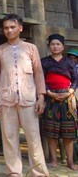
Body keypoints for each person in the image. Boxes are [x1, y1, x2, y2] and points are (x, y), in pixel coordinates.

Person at [0, 13, 49, 177]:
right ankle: (14, 172)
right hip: (6, 100)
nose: (9, 30)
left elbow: (38, 73)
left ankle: (38, 172)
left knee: (33, 137)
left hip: (29, 99)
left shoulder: (31, 49)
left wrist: (41, 97)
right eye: (6, 28)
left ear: (20, 28)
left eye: (12, 27)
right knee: (9, 137)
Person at [41, 34, 77, 170]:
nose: (55, 46)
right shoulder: (44, 62)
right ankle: (54, 160)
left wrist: (70, 92)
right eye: (52, 44)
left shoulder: (69, 62)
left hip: (67, 99)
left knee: (68, 132)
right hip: (50, 98)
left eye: (58, 44)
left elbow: (75, 79)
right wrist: (48, 92)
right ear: (49, 46)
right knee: (51, 131)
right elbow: (40, 79)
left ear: (63, 46)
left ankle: (70, 161)